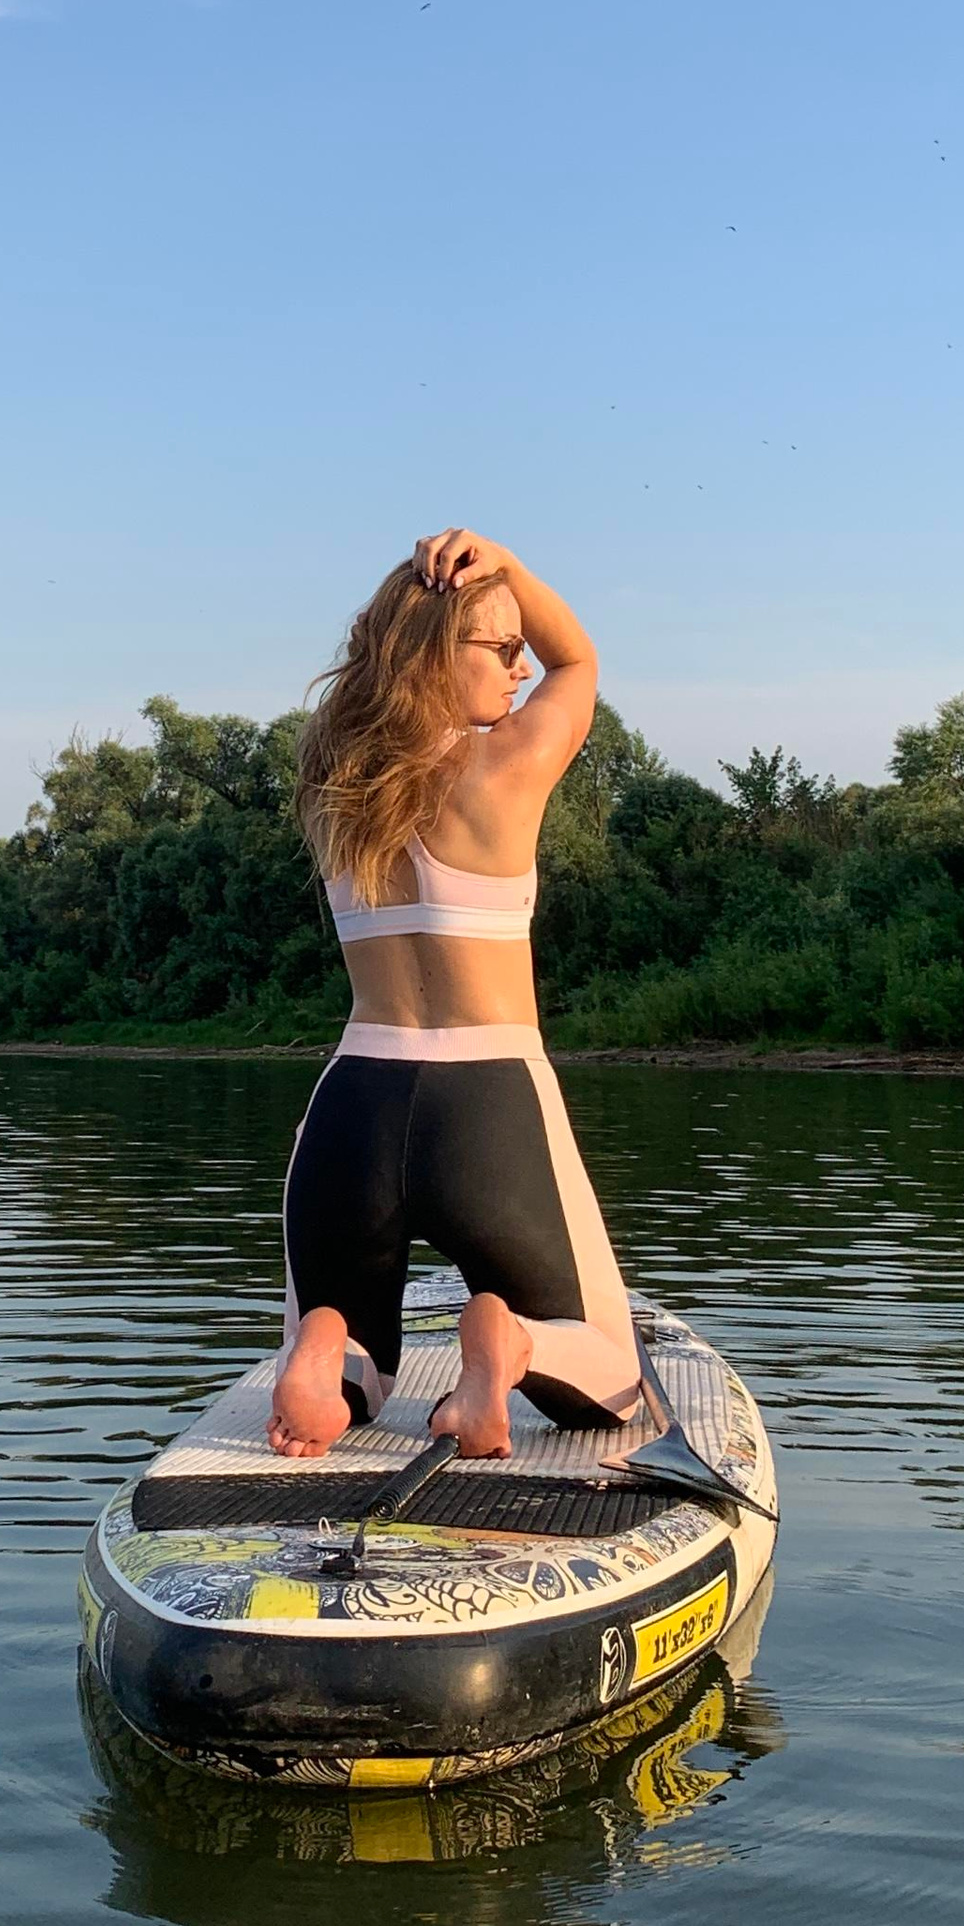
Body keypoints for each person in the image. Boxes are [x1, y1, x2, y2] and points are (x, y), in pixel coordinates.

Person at [270, 528, 642, 1461]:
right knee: (613, 1376)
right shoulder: (505, 764)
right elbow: (581, 656)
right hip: (489, 1100)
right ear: (440, 650)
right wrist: (509, 564)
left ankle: (326, 1350)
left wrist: (470, 600)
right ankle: (507, 1341)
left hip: (353, 1103)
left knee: (362, 1364)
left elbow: (390, 675)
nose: (519, 667)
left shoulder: (331, 777)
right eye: (499, 647)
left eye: (518, 648)